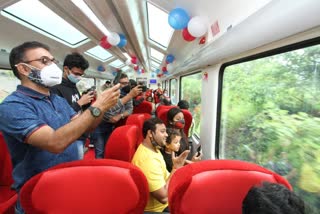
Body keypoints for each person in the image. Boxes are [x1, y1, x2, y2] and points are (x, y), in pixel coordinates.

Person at [0, 41, 120, 214]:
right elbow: (54, 142)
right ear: (24, 69)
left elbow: (86, 127)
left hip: (68, 184)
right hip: (38, 195)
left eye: (52, 61)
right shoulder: (13, 106)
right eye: (44, 61)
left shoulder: (57, 100)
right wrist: (97, 107)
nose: (52, 66)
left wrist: (103, 106)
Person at [132, 118, 189, 212]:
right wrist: (176, 168)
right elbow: (163, 198)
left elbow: (166, 177)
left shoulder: (155, 149)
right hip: (160, 209)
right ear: (150, 133)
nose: (166, 135)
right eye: (162, 132)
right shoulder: (148, 160)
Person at [50, 52, 93, 158]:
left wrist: (86, 101)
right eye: (76, 74)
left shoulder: (73, 86)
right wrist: (79, 103)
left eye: (81, 75)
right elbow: (58, 117)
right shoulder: (55, 88)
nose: (78, 77)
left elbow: (78, 109)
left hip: (80, 134)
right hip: (69, 138)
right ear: (66, 69)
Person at [94, 72, 141, 158]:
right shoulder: (108, 92)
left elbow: (130, 109)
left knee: (108, 150)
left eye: (127, 83)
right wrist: (130, 96)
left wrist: (120, 115)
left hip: (113, 125)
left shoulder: (127, 94)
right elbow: (108, 109)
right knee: (100, 152)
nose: (126, 85)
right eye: (123, 83)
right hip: (100, 124)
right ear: (115, 84)